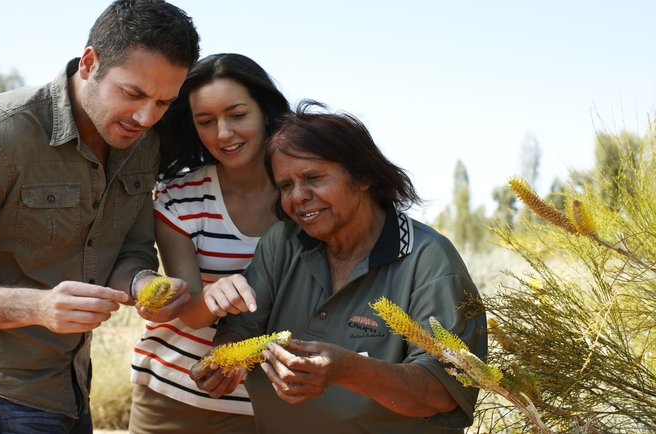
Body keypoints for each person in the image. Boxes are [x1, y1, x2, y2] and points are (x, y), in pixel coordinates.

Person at [0, 1, 199, 432]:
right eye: (133, 93)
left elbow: (129, 250)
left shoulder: (143, 143)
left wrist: (142, 284)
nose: (145, 117)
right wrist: (39, 307)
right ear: (90, 62)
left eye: (163, 102)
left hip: (73, 380)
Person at [189, 101, 488, 433]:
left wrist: (347, 370)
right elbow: (240, 328)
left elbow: (441, 393)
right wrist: (226, 360)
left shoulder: (429, 259)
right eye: (286, 185)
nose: (298, 196)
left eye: (313, 178)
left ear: (362, 175)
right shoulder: (281, 242)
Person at [129, 54, 291, 433]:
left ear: (265, 112)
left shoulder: (302, 197)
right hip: (170, 396)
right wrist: (218, 296)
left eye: (237, 115)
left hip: (263, 408)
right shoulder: (177, 198)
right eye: (206, 121)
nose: (223, 134)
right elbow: (189, 309)